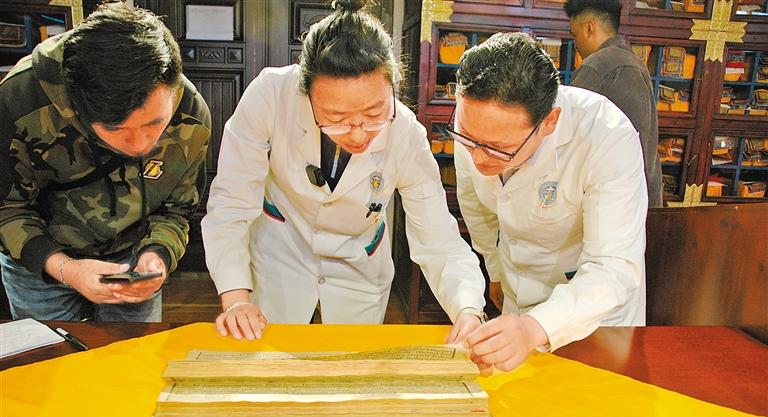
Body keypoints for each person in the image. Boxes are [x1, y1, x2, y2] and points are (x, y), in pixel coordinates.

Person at [202, 0, 485, 341]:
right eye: (335, 118)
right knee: (272, 360)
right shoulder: (271, 96)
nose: (358, 134)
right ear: (305, 93)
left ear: (392, 86)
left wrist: (468, 308)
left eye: (374, 113)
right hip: (280, 256)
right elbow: (231, 201)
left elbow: (438, 237)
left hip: (358, 267)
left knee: (349, 360)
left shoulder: (406, 133)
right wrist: (235, 298)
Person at [0, 3, 211, 322]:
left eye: (155, 124)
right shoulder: (20, 100)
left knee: (131, 351)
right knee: (52, 352)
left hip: (130, 262)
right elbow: (7, 209)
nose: (141, 145)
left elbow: (177, 209)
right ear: (79, 107)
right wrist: (66, 268)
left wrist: (157, 255)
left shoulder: (190, 113)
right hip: (38, 260)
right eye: (117, 129)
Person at [450, 32, 647, 371]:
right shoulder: (476, 122)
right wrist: (495, 270)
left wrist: (533, 328)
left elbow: (612, 266)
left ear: (550, 122)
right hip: (517, 303)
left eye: (498, 149)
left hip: (594, 317)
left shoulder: (606, 135)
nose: (478, 159)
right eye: (468, 140)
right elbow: (475, 204)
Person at [565, 0, 663, 207]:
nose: (576, 44)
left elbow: (564, 131)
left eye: (574, 34)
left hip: (615, 197)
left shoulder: (598, 66)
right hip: (641, 192)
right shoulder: (633, 61)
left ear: (589, 27)